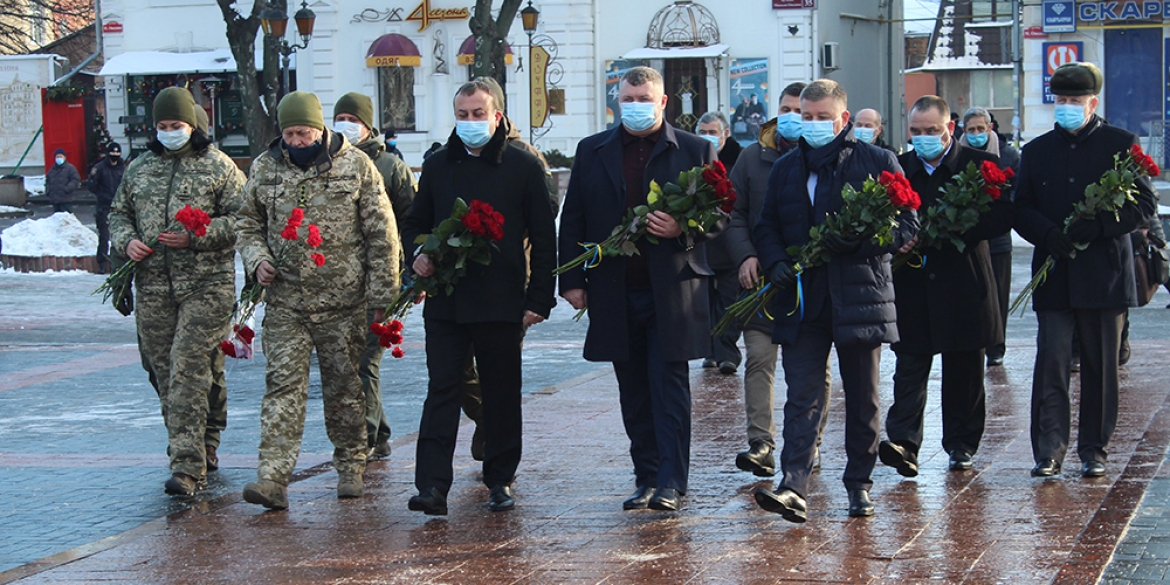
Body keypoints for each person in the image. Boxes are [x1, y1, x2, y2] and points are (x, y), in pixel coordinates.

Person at [558, 66, 722, 512]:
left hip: (671, 292)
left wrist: (682, 228)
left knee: (668, 386)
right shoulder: (593, 150)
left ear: (663, 101)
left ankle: (671, 481)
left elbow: (721, 217)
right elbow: (572, 217)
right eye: (628, 99)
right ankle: (646, 476)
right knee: (632, 390)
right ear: (617, 100)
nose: (635, 106)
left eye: (643, 98)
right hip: (614, 290)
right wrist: (571, 280)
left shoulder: (694, 149)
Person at [751, 79, 916, 522]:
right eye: (807, 116)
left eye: (824, 117)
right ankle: (794, 485)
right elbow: (766, 225)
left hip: (860, 296)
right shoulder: (786, 168)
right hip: (804, 301)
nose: (814, 124)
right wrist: (775, 261)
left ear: (844, 119)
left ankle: (859, 484)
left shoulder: (878, 161)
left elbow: (906, 226)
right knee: (802, 395)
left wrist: (859, 241)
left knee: (863, 398)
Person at [236, 91, 401, 509]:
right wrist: (258, 260)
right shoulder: (265, 168)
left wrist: (383, 297)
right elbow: (247, 222)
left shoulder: (356, 166)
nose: (297, 141)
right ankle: (272, 478)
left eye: (304, 132)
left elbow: (382, 234)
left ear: (320, 128)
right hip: (287, 301)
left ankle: (350, 464)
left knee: (344, 387)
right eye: (289, 133)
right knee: (282, 387)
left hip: (343, 302)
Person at [402, 78, 556, 516]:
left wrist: (538, 298)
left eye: (478, 114)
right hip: (447, 301)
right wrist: (420, 254)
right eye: (463, 114)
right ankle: (432, 485)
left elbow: (544, 238)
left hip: (502, 299)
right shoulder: (437, 165)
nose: (470, 122)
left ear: (497, 116)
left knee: (501, 392)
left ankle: (500, 478)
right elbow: (415, 223)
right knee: (442, 390)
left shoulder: (524, 167)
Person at [1014, 62, 1157, 479]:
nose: (1066, 108)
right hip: (1055, 270)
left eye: (1075, 101)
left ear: (1092, 103)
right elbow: (1020, 206)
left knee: (1100, 366)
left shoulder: (1120, 143)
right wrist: (1047, 233)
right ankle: (1048, 449)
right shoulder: (1037, 151)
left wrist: (1100, 226)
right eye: (1060, 101)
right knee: (1052, 362)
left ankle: (1094, 448)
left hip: (1103, 273)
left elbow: (1142, 205)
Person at [108, 87, 246, 496]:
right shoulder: (140, 168)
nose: (170, 132)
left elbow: (243, 220)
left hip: (206, 284)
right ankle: (204, 437)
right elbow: (118, 213)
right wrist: (126, 240)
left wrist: (197, 237)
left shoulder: (218, 167)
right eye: (163, 126)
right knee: (163, 370)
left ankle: (187, 466)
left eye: (178, 125)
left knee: (187, 366)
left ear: (193, 125)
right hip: (153, 285)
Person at [878, 96, 1011, 479]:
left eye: (931, 131)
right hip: (913, 283)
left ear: (949, 128)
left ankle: (961, 444)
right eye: (916, 132)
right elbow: (881, 216)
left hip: (963, 282)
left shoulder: (980, 166)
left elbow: (1003, 214)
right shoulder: (899, 169)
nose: (923, 138)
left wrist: (956, 230)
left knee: (964, 369)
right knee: (909, 366)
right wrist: (895, 237)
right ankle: (903, 442)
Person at [726, 81, 827, 478]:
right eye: (786, 109)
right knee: (760, 359)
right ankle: (761, 442)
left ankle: (810, 442)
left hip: (809, 284)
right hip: (762, 282)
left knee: (813, 367)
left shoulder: (827, 159)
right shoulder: (753, 159)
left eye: (800, 111)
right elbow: (734, 213)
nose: (793, 118)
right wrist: (745, 255)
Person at [332, 91, 417, 460]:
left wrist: (413, 272)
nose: (345, 126)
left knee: (366, 359)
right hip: (339, 280)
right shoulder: (330, 162)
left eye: (353, 120)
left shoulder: (390, 167)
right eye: (341, 119)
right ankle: (378, 432)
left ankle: (366, 437)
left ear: (369, 126)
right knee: (349, 360)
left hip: (382, 278)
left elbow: (413, 222)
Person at [960, 107, 1021, 367]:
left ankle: (996, 345)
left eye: (980, 129)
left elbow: (1016, 195)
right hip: (966, 238)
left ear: (990, 128)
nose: (976, 134)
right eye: (970, 130)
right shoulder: (958, 156)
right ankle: (974, 341)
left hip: (997, 240)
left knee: (998, 293)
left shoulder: (1008, 156)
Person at [697, 110, 744, 374]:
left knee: (729, 300)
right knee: (705, 301)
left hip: (730, 243)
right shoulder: (694, 157)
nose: (708, 138)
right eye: (703, 133)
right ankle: (711, 351)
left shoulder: (739, 159)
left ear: (725, 133)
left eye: (713, 132)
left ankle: (727, 352)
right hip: (702, 244)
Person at [88, 142, 126, 273]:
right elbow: (92, 185)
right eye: (112, 153)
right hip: (104, 207)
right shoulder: (100, 168)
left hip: (120, 207)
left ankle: (118, 264)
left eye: (117, 154)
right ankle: (102, 264)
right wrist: (102, 196)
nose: (114, 156)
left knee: (120, 236)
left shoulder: (123, 169)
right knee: (104, 236)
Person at [46, 148, 80, 213]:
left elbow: (75, 180)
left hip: (65, 199)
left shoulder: (70, 168)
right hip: (54, 199)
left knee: (66, 218)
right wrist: (48, 191)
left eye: (60, 156)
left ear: (65, 157)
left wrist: (67, 189)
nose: (59, 158)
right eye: (57, 157)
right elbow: (48, 181)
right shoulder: (52, 170)